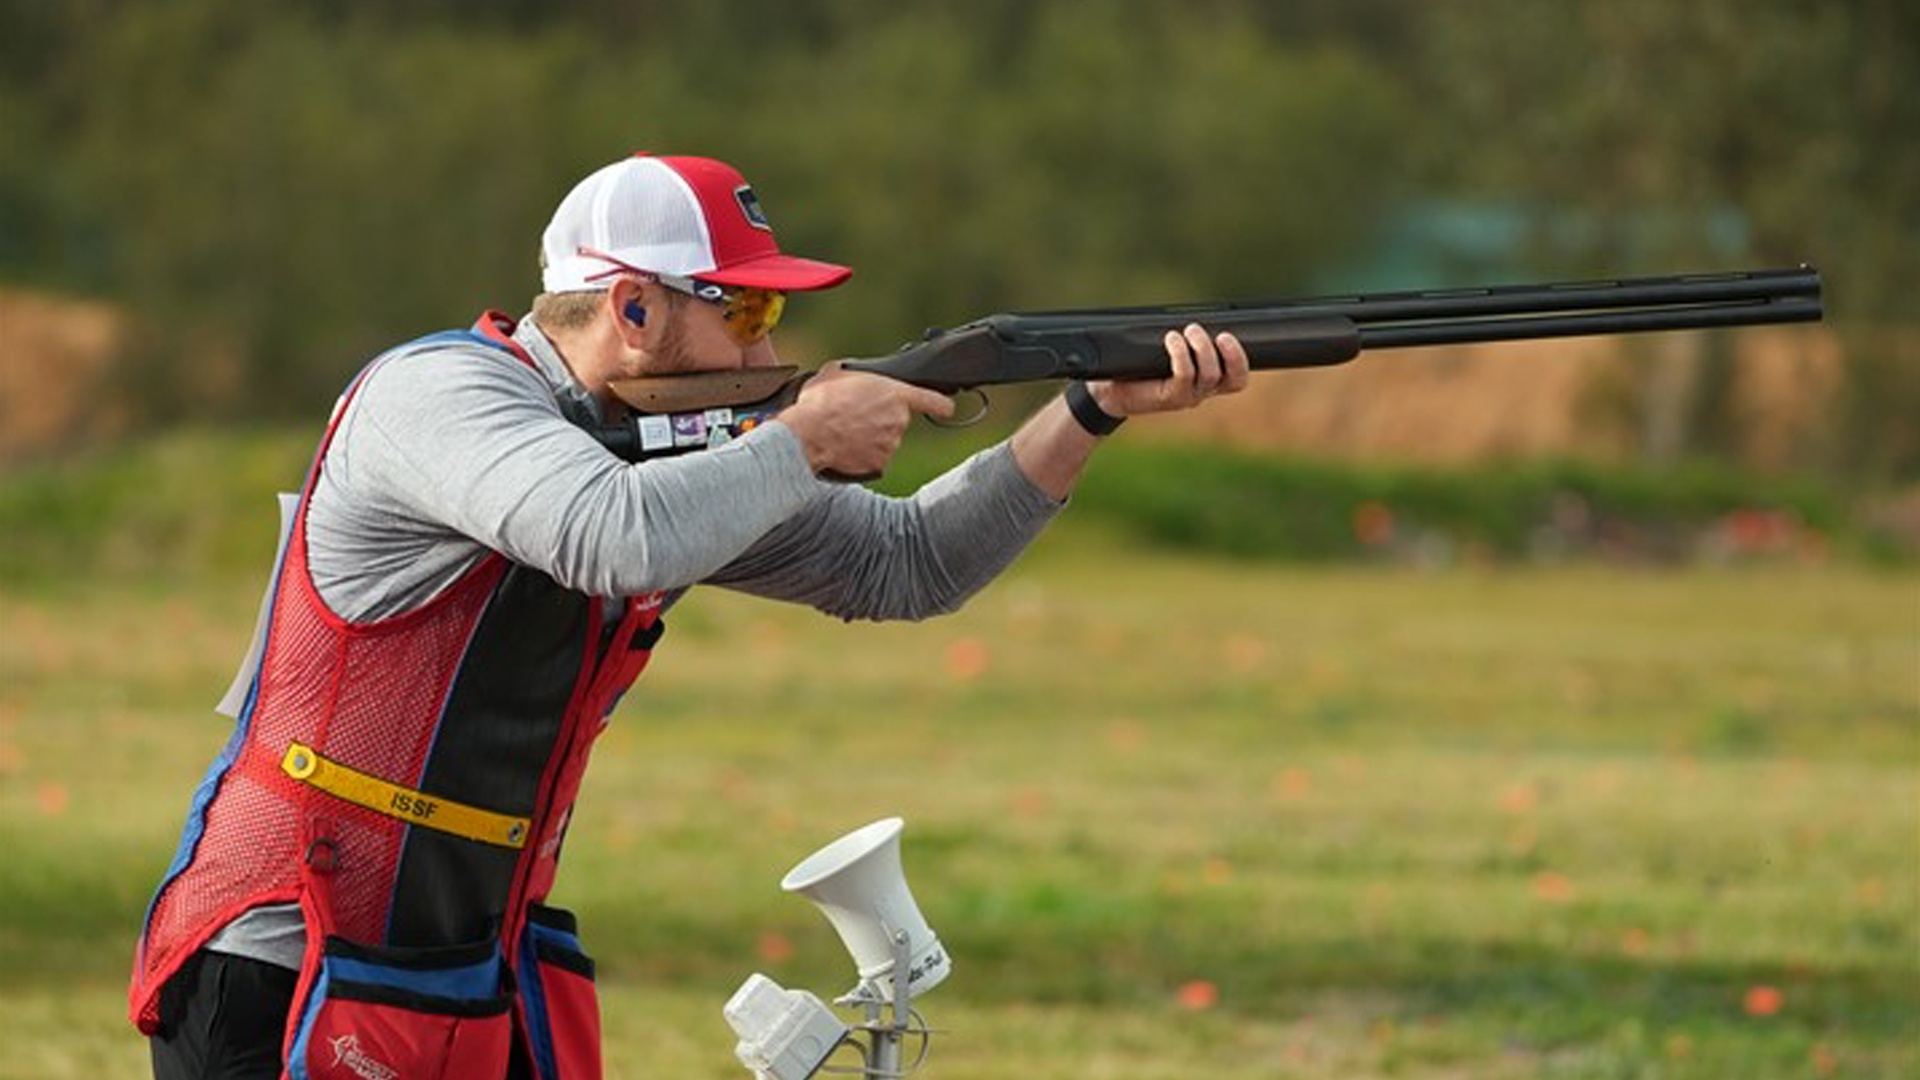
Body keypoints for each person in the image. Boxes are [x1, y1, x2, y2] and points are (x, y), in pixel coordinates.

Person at [130, 153, 1250, 1079]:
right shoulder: (438, 397)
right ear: (633, 307)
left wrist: (1089, 412)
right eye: (748, 311)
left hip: (464, 957)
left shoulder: (675, 458)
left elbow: (913, 564)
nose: (769, 355)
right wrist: (799, 441)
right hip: (281, 955)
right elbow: (608, 533)